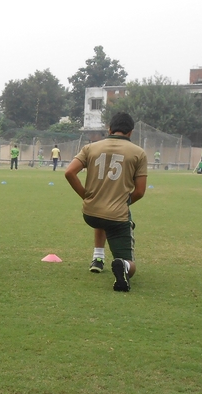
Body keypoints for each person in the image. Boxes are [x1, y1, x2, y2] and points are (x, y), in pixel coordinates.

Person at [65, 112, 147, 292]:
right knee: (130, 264)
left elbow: (69, 172)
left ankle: (98, 257)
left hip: (90, 214)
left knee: (102, 214)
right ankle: (123, 265)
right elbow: (140, 191)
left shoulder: (90, 148)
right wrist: (122, 203)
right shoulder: (138, 153)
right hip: (116, 217)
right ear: (131, 132)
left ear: (109, 129)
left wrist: (86, 196)